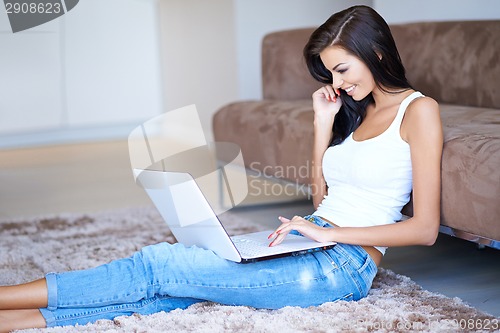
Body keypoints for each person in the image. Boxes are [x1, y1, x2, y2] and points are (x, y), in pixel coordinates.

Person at [0, 5, 443, 331]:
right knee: (175, 291)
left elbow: (423, 228)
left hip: (340, 267)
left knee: (159, 264)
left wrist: (329, 233)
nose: (338, 85)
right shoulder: (356, 112)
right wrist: (321, 124)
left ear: (377, 52)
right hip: (308, 239)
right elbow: (320, 200)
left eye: (342, 70)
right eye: (330, 75)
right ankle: (21, 320)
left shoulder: (419, 112)